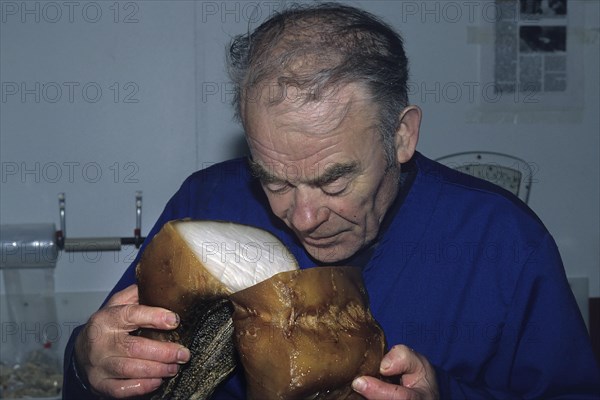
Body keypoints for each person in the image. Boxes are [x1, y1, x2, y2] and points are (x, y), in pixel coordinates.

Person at [63, 3, 600, 399]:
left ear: (401, 135)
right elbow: (118, 359)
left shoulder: (503, 242)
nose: (302, 217)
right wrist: (89, 364)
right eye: (273, 180)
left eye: (334, 182)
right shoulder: (207, 200)